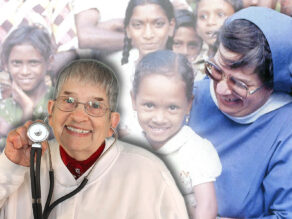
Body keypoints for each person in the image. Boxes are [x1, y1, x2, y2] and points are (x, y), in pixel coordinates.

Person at [0, 59, 189, 218]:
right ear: (51, 111)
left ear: (111, 123)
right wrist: (9, 167)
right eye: (69, 101)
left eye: (95, 106)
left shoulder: (150, 173)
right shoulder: (21, 163)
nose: (78, 116)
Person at [189, 7, 292, 218]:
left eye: (239, 84)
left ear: (273, 85)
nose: (221, 89)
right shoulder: (193, 95)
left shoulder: (285, 129)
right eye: (216, 70)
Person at [131, 50, 222, 218]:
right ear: (133, 100)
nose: (159, 118)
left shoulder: (195, 150)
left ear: (188, 105)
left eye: (172, 107)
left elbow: (207, 206)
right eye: (149, 105)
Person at [109, 0, 176, 138]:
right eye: (138, 25)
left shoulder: (187, 75)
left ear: (171, 26)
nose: (148, 34)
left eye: (158, 24)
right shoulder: (116, 78)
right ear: (127, 30)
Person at [0, 25, 54, 151]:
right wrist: (27, 109)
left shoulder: (62, 102)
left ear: (49, 62)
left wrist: (27, 110)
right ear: (5, 65)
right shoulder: (3, 110)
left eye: (33, 62)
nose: (24, 71)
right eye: (16, 63)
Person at [193, 0, 242, 80]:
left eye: (220, 15)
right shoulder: (193, 63)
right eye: (203, 16)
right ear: (196, 27)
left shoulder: (243, 64)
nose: (210, 22)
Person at [171, 9, 203, 80]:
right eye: (177, 43)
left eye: (192, 46)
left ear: (200, 47)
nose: (185, 52)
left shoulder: (204, 79)